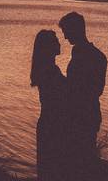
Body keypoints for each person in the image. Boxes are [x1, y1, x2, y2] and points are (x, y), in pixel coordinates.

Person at [58, 11, 107, 177]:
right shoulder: (85, 54)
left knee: (82, 161)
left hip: (84, 116)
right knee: (79, 161)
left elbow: (95, 90)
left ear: (76, 30)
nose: (64, 37)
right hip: (83, 115)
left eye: (66, 32)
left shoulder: (95, 56)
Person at [30, 29, 71, 181]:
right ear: (47, 47)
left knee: (49, 169)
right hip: (52, 125)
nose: (59, 43)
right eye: (55, 42)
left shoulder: (47, 69)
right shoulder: (50, 71)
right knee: (54, 170)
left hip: (49, 123)